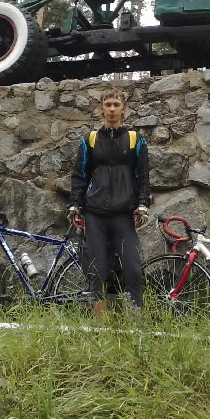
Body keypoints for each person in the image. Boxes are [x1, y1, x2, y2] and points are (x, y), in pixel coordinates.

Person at [68, 88, 150, 317]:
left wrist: (142, 204)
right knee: (97, 271)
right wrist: (74, 204)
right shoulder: (90, 139)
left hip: (123, 214)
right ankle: (100, 324)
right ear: (101, 109)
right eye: (108, 104)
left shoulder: (135, 139)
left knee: (132, 269)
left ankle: (135, 321)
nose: (112, 109)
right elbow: (79, 175)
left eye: (116, 104)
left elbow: (143, 176)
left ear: (124, 109)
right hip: (95, 214)